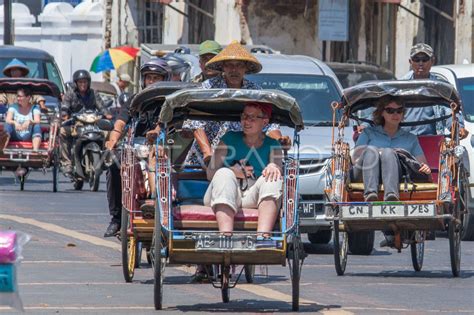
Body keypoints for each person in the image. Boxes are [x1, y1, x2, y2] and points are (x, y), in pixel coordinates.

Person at [184, 40, 288, 167]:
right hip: (206, 159)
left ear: (245, 68)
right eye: (229, 65)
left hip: (245, 158)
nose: (234, 70)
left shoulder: (255, 91)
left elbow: (269, 125)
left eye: (239, 65)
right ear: (223, 67)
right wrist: (208, 154)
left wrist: (279, 140)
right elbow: (194, 123)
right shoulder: (207, 88)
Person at [103, 58, 172, 237]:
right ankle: (117, 218)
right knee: (114, 165)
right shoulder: (136, 100)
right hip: (137, 148)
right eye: (149, 77)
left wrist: (158, 131)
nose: (151, 82)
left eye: (156, 78)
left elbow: (168, 124)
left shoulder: (172, 101)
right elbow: (120, 121)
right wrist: (113, 140)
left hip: (166, 151)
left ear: (165, 79)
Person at [205, 102, 283, 237]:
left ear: (264, 122)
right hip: (221, 192)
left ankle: (263, 236)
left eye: (252, 118)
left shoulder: (273, 144)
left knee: (273, 177)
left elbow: (278, 167)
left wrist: (273, 166)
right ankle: (225, 235)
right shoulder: (229, 138)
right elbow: (210, 173)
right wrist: (234, 171)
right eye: (244, 116)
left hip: (251, 195)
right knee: (224, 173)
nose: (246, 121)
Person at [352, 96, 431, 202]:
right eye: (390, 110)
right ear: (381, 113)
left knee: (388, 152)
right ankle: (370, 194)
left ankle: (391, 196)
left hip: (397, 176)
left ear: (403, 114)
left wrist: (426, 169)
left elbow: (422, 165)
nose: (395, 114)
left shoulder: (411, 138)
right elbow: (355, 159)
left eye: (399, 111)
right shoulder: (368, 133)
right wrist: (378, 153)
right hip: (364, 173)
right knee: (372, 151)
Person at [402, 43, 468, 139]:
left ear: (432, 61)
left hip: (431, 140)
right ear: (410, 61)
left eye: (425, 59)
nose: (421, 63)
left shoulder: (440, 86)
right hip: (404, 139)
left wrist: (457, 128)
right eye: (416, 59)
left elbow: (450, 110)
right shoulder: (401, 86)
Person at [60, 69, 110, 176]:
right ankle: (66, 163)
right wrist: (65, 114)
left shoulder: (93, 93)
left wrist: (107, 114)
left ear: (88, 82)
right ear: (76, 83)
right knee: (62, 132)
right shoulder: (70, 93)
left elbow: (101, 106)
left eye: (85, 82)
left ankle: (106, 159)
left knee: (108, 132)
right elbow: (65, 105)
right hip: (75, 124)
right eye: (80, 82)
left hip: (92, 123)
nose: (83, 84)